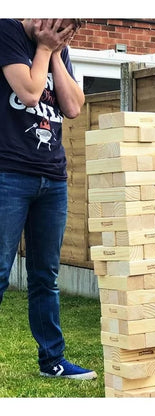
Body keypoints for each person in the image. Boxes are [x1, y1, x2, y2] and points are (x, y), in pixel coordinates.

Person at [0, 19, 96, 379]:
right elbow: (28, 92)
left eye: (72, 28)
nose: (68, 32)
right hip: (8, 173)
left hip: (53, 178)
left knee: (46, 277)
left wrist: (56, 51)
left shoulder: (60, 48)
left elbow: (72, 107)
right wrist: (42, 48)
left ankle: (52, 361)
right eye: (65, 24)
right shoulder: (7, 30)